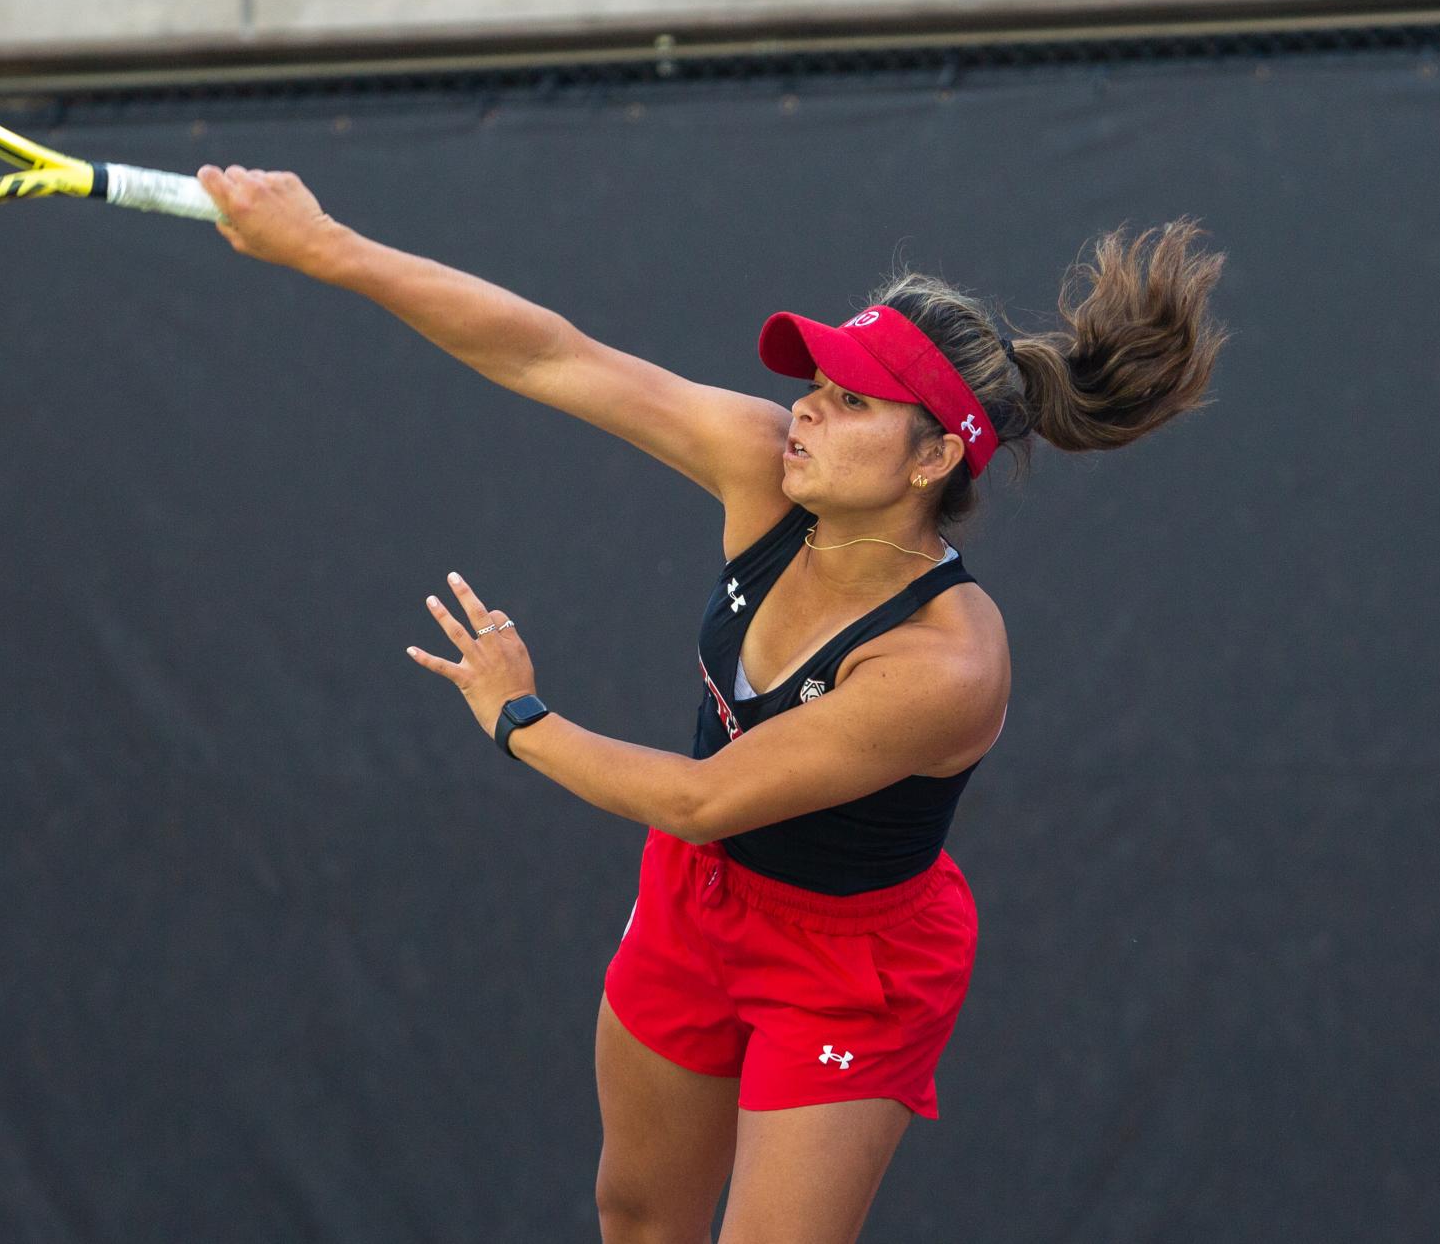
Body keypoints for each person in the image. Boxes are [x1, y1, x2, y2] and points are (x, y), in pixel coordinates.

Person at [195, 163, 1225, 1242]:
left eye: (851, 400)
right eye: (815, 380)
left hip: (851, 967)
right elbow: (551, 353)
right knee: (637, 1218)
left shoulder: (946, 664)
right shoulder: (764, 468)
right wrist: (328, 247)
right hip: (699, 901)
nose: (807, 409)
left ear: (932, 457)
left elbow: (701, 796)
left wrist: (518, 713)